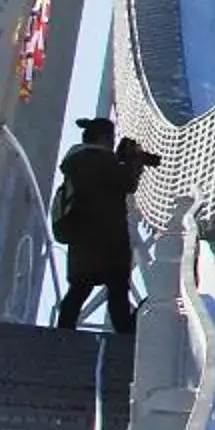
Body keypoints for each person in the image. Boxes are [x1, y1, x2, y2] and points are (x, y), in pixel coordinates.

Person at [53, 117, 162, 332]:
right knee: (118, 294)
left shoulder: (77, 163)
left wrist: (123, 160)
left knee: (78, 291)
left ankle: (61, 336)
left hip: (82, 242)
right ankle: (125, 339)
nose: (113, 143)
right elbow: (127, 183)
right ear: (103, 138)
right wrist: (133, 162)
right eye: (111, 138)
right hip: (109, 242)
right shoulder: (100, 160)